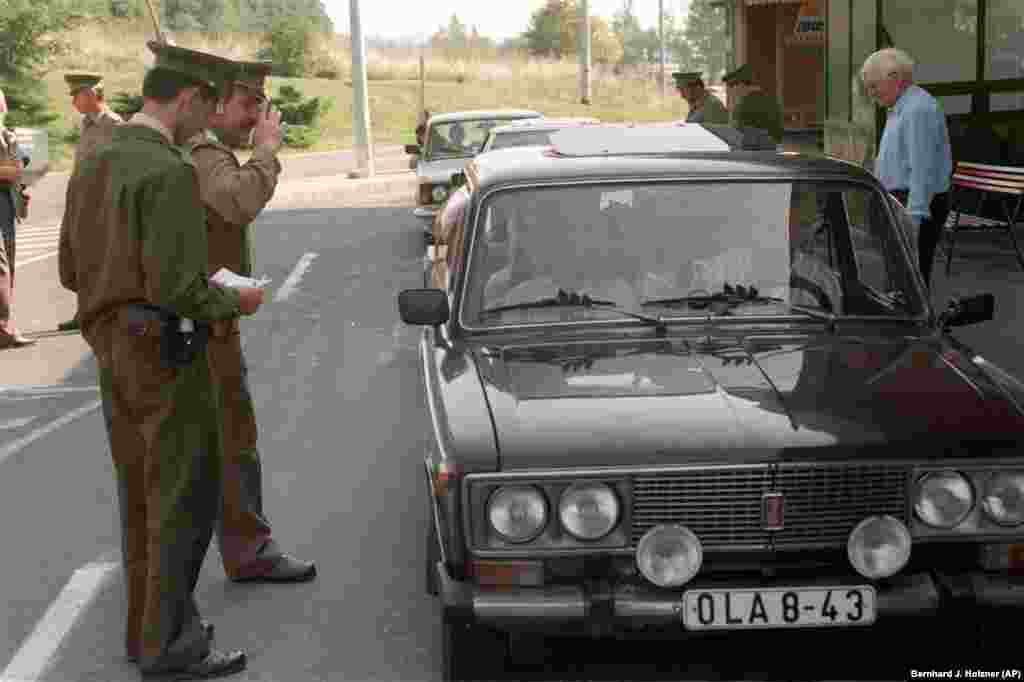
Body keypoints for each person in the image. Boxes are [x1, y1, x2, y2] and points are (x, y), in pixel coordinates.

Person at [59, 40, 265, 679]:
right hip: (164, 350)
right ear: (186, 97)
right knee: (183, 495)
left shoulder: (94, 158)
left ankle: (145, 636)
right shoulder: (167, 169)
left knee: (139, 497)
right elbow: (180, 288)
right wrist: (237, 301)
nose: (208, 117)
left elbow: (69, 267)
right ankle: (172, 644)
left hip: (111, 346)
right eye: (206, 103)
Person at [187, 59, 316, 584]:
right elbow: (238, 200)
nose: (255, 117)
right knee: (229, 443)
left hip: (202, 312)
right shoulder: (200, 153)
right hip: (199, 324)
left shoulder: (194, 149)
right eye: (247, 106)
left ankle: (191, 565)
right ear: (215, 102)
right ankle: (245, 550)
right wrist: (266, 151)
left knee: (211, 445)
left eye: (260, 108)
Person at [860, 47, 952, 288]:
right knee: (899, 276)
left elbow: (922, 169)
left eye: (873, 85)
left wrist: (913, 221)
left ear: (895, 78)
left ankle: (913, 325)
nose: (871, 94)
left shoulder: (917, 109)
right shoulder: (902, 107)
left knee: (910, 280)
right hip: (901, 200)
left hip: (913, 203)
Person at [58, 73, 124, 332]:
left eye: (77, 95)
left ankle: (103, 311)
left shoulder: (114, 125)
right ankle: (84, 309)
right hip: (81, 200)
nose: (74, 101)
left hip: (101, 201)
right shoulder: (87, 124)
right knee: (79, 255)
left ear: (92, 94)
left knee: (101, 256)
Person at [0, 88, 35, 348]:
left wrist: (18, 168)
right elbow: (12, 170)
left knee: (8, 268)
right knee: (2, 270)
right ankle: (4, 329)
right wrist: (12, 170)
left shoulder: (7, 134)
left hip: (8, 205)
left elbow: (19, 168)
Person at [721, 63, 784, 145]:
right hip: (773, 148)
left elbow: (736, 133)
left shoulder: (745, 104)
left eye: (731, 86)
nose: (731, 91)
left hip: (754, 151)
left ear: (740, 85)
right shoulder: (771, 99)